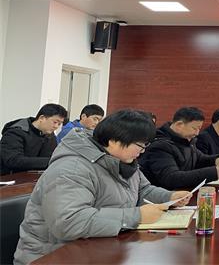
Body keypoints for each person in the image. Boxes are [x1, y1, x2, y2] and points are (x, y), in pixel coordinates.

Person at [13, 109, 192, 265]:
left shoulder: (123, 161)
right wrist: (136, 216)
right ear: (114, 141)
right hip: (52, 256)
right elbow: (69, 222)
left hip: (97, 248)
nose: (142, 151)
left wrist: (169, 197)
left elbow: (142, 190)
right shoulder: (72, 169)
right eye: (140, 145)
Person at [139, 107, 219, 190]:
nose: (197, 133)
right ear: (179, 124)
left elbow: (199, 158)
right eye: (194, 128)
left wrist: (217, 160)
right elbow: (172, 178)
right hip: (166, 199)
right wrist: (214, 172)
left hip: (184, 194)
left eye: (199, 129)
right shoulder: (160, 146)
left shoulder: (187, 140)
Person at [0, 103, 67, 175]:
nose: (56, 126)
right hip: (8, 177)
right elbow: (13, 160)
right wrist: (51, 161)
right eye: (55, 122)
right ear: (42, 118)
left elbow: (50, 156)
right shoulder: (15, 132)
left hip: (33, 177)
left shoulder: (49, 135)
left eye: (59, 124)